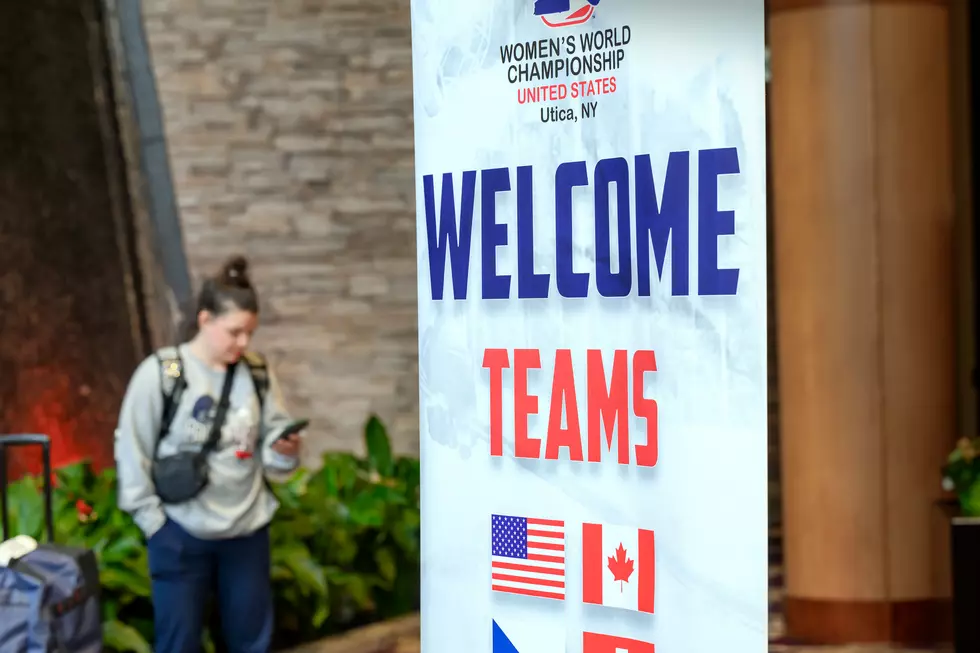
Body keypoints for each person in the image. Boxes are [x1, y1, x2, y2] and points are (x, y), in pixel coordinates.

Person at [114, 255, 302, 653]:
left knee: (252, 643)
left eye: (249, 333)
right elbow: (132, 450)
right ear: (204, 320)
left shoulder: (256, 373)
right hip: (179, 533)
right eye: (234, 332)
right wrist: (155, 525)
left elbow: (273, 459)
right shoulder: (163, 373)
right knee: (178, 643)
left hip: (247, 532)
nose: (243, 343)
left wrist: (284, 451)